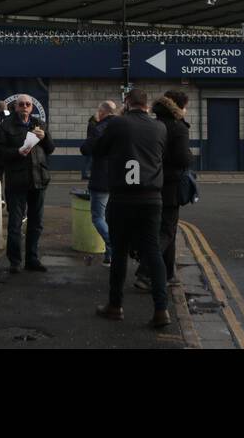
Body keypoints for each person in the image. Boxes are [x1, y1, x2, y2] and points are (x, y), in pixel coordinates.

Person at [94, 88, 170, 329]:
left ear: (127, 103)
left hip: (123, 198)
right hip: (151, 198)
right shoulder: (160, 127)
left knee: (119, 253)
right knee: (153, 252)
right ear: (146, 105)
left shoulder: (117, 124)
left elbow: (99, 149)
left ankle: (115, 306)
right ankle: (161, 310)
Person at [136, 90, 194, 290]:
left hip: (152, 183)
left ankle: (168, 273)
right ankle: (144, 272)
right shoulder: (178, 128)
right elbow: (182, 159)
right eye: (185, 105)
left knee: (164, 230)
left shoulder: (154, 124)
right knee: (166, 231)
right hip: (170, 186)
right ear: (179, 106)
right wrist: (190, 155)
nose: (187, 110)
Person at [0, 96, 54, 273]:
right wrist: (17, 152)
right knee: (15, 224)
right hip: (17, 180)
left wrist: (44, 138)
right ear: (15, 107)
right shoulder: (6, 125)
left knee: (36, 223)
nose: (25, 107)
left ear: (32, 106)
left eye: (28, 104)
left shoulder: (39, 123)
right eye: (21, 104)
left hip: (39, 180)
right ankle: (15, 261)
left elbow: (50, 149)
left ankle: (32, 259)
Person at [79, 100, 118, 265]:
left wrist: (95, 124)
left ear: (102, 112)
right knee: (111, 219)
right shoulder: (122, 127)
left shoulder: (99, 127)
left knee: (98, 218)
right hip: (119, 179)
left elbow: (85, 149)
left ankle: (114, 245)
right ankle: (109, 257)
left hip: (101, 178)